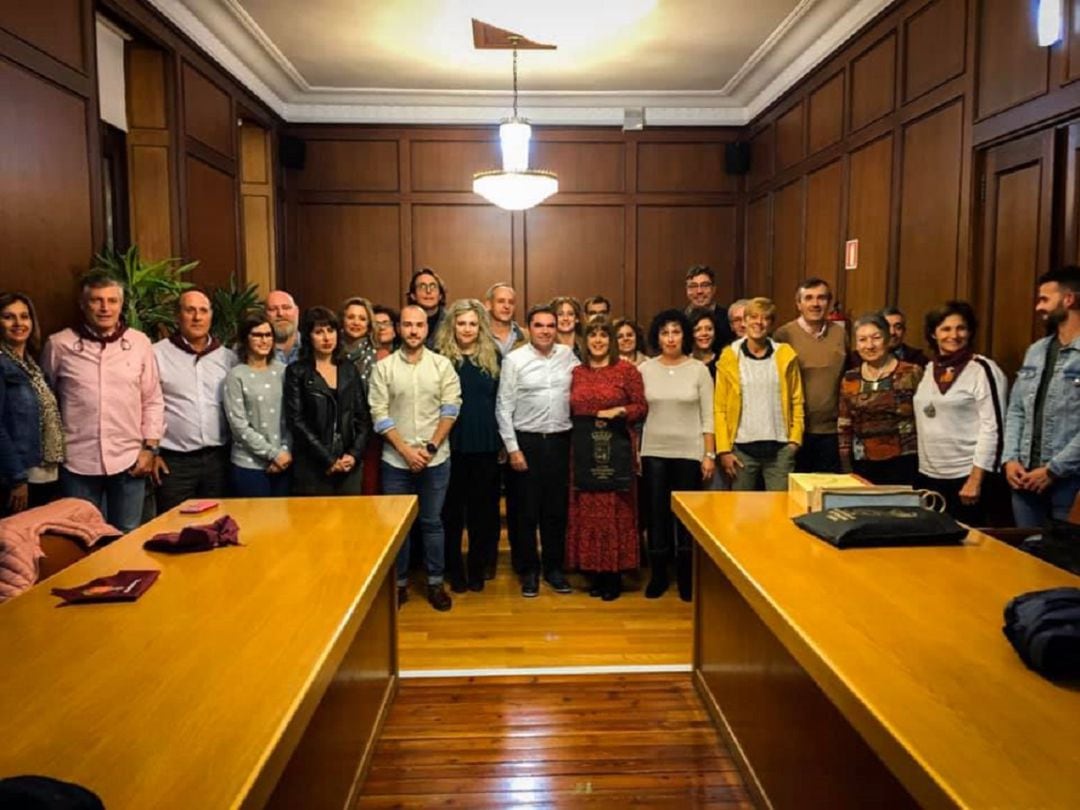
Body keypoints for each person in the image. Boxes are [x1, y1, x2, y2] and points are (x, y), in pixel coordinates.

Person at [41, 271, 163, 533]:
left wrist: (149, 449)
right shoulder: (59, 344)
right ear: (83, 305)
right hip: (77, 461)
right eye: (97, 300)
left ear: (121, 305)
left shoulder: (140, 342)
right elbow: (46, 401)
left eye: (112, 300)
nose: (105, 308)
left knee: (127, 533)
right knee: (82, 537)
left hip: (129, 458)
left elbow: (152, 398)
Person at [370, 304, 461, 610]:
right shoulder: (383, 368)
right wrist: (406, 451)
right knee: (399, 526)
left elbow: (451, 408)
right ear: (398, 329)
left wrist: (430, 447)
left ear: (426, 329)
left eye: (419, 325)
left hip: (435, 459)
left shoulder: (442, 365)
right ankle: (399, 585)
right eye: (407, 325)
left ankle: (435, 583)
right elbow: (378, 414)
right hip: (395, 461)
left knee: (432, 523)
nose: (412, 330)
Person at [496, 304, 580, 597]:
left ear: (557, 329)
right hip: (526, 442)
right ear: (529, 328)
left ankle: (554, 568)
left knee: (555, 511)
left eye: (550, 325)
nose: (545, 331)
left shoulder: (568, 356)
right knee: (524, 512)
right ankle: (528, 570)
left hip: (560, 442)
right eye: (539, 325)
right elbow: (503, 407)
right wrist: (513, 448)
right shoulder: (514, 360)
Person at [566, 318, 647, 601]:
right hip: (584, 454)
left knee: (616, 513)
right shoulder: (577, 372)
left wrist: (619, 410)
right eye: (593, 335)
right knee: (587, 512)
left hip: (616, 452)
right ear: (585, 341)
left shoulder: (626, 371)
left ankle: (613, 574)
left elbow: (641, 406)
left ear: (610, 340)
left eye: (603, 335)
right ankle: (594, 572)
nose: (598, 340)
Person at [639, 309, 715, 601]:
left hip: (689, 453)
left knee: (685, 518)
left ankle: (686, 578)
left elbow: (708, 416)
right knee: (656, 515)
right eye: (664, 332)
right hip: (654, 451)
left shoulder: (699, 370)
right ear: (657, 337)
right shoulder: (645, 369)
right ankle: (658, 576)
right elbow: (639, 413)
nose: (670, 338)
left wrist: (708, 454)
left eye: (676, 331)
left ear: (685, 335)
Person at [913, 301, 1007, 525]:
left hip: (966, 478)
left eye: (961, 328)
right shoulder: (929, 369)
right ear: (933, 334)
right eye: (945, 329)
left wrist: (975, 480)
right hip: (929, 475)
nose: (953, 335)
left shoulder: (982, 369)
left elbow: (993, 428)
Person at [1003, 266, 1080, 527]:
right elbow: (1016, 409)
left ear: (1068, 299)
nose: (1038, 307)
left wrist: (1053, 470)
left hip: (1069, 484)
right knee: (1027, 560)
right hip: (1024, 482)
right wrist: (1010, 459)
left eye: (1045, 299)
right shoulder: (1036, 351)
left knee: (1063, 565)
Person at [435, 299, 501, 593]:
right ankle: (454, 569)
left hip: (486, 445)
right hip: (451, 445)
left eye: (473, 323)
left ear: (481, 326)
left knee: (483, 514)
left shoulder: (493, 356)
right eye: (461, 323)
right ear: (452, 325)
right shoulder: (439, 357)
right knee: (451, 514)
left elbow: (502, 401)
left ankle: (477, 567)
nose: (467, 329)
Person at [151, 289, 236, 514]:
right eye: (190, 311)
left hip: (219, 460)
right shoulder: (156, 355)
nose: (197, 317)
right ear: (178, 316)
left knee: (218, 522)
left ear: (211, 316)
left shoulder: (228, 358)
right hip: (174, 462)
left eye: (203, 311)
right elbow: (146, 405)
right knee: (173, 526)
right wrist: (151, 451)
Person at [714, 297, 804, 492]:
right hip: (741, 450)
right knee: (741, 512)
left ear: (771, 324)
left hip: (780, 449)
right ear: (744, 322)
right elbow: (720, 408)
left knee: (779, 511)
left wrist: (794, 441)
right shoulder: (729, 357)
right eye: (753, 317)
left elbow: (797, 400)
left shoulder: (785, 355)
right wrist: (723, 450)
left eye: (765, 318)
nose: (759, 322)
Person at [284, 306, 370, 496]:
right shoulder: (297, 372)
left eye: (330, 331)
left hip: (349, 463)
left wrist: (354, 455)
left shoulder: (349, 369)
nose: (326, 337)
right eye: (319, 332)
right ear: (308, 336)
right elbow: (296, 422)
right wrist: (328, 459)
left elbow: (362, 417)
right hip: (313, 464)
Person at [837, 313, 923, 485]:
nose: (869, 345)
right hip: (863, 463)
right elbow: (844, 424)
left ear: (888, 340)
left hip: (904, 461)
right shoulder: (850, 378)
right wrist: (846, 466)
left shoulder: (910, 372)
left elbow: (926, 419)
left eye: (876, 338)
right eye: (862, 339)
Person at [773, 278, 847, 473]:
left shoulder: (841, 335)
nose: (815, 304)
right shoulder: (783, 336)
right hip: (795, 432)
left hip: (831, 432)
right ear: (798, 304)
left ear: (829, 303)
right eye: (809, 298)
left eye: (821, 298)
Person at [0, 292, 64, 514]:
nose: (19, 323)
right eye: (9, 317)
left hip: (46, 473)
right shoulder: (3, 365)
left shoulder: (31, 365)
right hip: (17, 478)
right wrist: (17, 479)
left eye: (24, 316)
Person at [224, 314, 292, 497]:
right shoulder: (236, 375)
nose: (264, 340)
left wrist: (284, 453)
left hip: (285, 461)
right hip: (249, 464)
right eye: (257, 335)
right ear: (246, 338)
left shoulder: (284, 371)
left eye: (268, 335)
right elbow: (239, 425)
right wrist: (272, 454)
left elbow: (294, 416)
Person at [684, 264, 734, 348]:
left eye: (704, 285)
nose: (699, 291)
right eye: (693, 286)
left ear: (714, 288)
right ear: (687, 290)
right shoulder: (680, 319)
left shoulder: (727, 318)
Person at [407, 268, 447, 350]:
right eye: (422, 287)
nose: (428, 291)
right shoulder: (404, 321)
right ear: (413, 295)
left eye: (433, 287)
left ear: (440, 295)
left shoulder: (451, 321)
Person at [341, 296, 377, 384]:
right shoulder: (330, 353)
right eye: (350, 317)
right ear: (342, 320)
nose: (356, 323)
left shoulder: (379, 356)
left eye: (362, 319)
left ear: (369, 324)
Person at [485, 282, 526, 357]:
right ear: (489, 305)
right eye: (501, 301)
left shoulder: (527, 337)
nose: (507, 306)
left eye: (511, 302)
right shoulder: (478, 335)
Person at [266, 290, 300, 365]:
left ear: (297, 312)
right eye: (273, 309)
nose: (280, 314)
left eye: (286, 308)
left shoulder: (314, 346)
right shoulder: (245, 351)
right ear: (264, 315)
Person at [688, 308, 718, 379]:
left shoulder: (722, 362)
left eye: (709, 329)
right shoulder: (684, 363)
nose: (704, 333)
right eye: (698, 330)